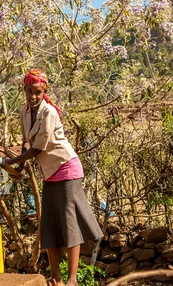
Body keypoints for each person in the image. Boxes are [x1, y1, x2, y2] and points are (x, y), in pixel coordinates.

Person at [6, 69, 103, 286]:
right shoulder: (24, 112)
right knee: (49, 225)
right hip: (50, 173)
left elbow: (38, 148)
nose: (33, 96)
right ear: (24, 90)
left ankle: (72, 280)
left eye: (37, 92)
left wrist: (12, 162)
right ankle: (56, 279)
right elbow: (26, 143)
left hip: (67, 168)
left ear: (44, 92)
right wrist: (19, 167)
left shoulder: (49, 112)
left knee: (69, 225)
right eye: (29, 91)